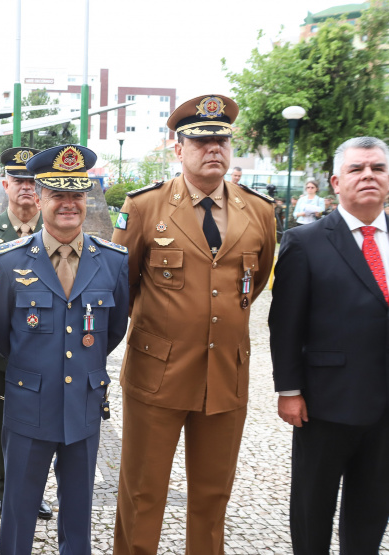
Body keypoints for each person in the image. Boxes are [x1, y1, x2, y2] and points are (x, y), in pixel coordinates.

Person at [111, 94, 277, 554]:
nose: (214, 149)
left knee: (211, 497)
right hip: (156, 375)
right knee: (143, 494)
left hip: (225, 374)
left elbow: (254, 283)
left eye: (222, 140)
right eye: (201, 141)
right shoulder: (145, 207)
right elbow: (120, 287)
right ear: (178, 149)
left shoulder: (259, 211)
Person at [0, 144, 128, 554]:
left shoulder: (114, 261)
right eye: (58, 194)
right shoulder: (8, 261)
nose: (68, 204)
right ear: (41, 196)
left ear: (86, 198)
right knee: (18, 509)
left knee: (79, 511)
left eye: (76, 195)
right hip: (30, 401)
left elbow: (112, 331)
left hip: (83, 401)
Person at [270, 136, 389, 553]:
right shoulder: (306, 242)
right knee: (312, 508)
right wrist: (289, 390)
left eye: (378, 168)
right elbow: (284, 324)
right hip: (324, 404)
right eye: (357, 169)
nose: (369, 176)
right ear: (336, 182)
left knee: (372, 509)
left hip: (385, 408)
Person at [0, 146, 52, 522]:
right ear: (4, 184)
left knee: (38, 424)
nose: (25, 187)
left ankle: (32, 491)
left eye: (32, 181)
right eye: (18, 180)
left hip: (42, 350)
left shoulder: (55, 232)